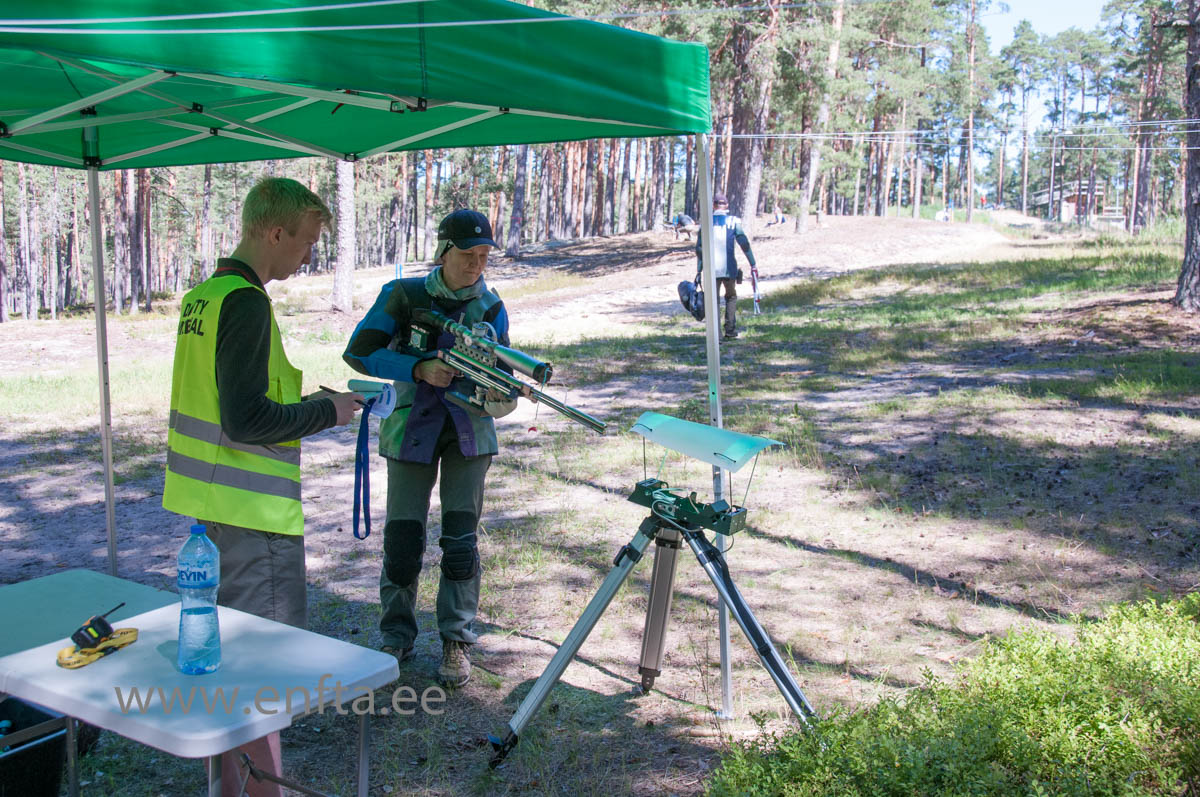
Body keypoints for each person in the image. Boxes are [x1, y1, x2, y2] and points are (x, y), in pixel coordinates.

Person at [163, 177, 362, 797]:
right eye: (305, 243)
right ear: (274, 232)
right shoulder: (246, 302)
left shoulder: (205, 296)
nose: (308, 257)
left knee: (227, 678)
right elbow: (247, 420)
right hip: (253, 522)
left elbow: (234, 405)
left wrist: (303, 404)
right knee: (261, 683)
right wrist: (328, 413)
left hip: (211, 517)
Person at [343, 208, 516, 689]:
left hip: (470, 434)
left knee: (461, 541)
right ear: (444, 250)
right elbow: (358, 351)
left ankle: (456, 641)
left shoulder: (491, 305)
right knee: (402, 540)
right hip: (410, 431)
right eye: (468, 255)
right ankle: (395, 638)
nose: (477, 265)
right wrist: (418, 368)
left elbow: (504, 370)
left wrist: (503, 391)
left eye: (484, 256)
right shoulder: (403, 295)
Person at [695, 193, 757, 340]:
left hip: (711, 270)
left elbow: (699, 249)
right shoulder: (734, 221)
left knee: (713, 300)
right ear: (727, 205)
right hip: (730, 268)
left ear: (713, 205)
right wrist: (752, 263)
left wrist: (699, 269)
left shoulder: (706, 222)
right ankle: (730, 329)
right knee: (731, 297)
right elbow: (744, 242)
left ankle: (717, 335)